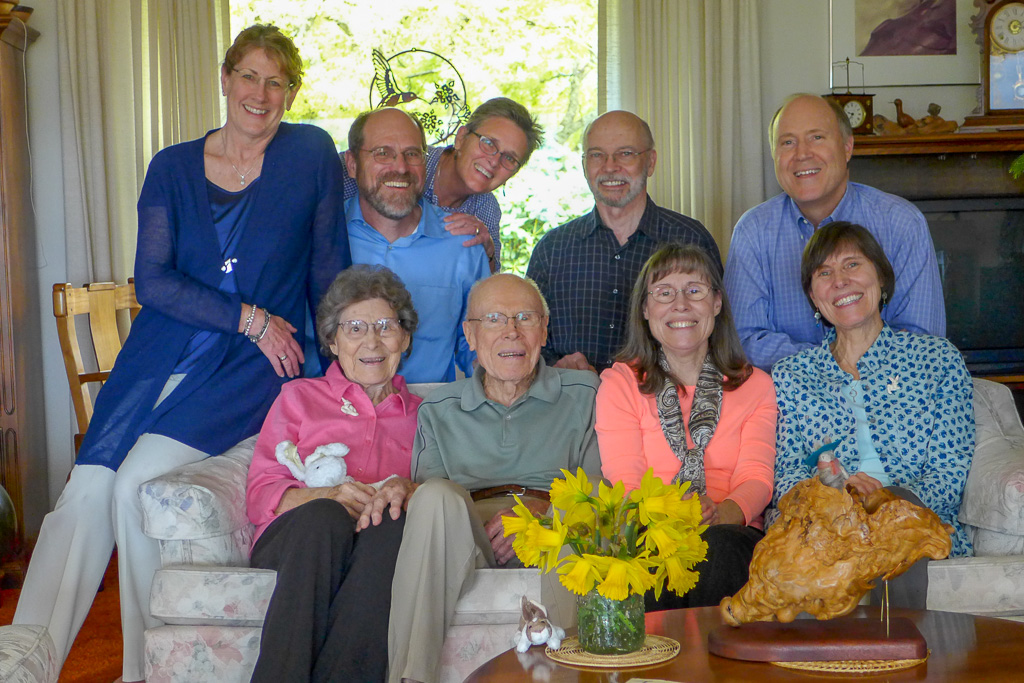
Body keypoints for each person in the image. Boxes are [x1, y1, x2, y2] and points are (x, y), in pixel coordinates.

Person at [13, 25, 349, 682]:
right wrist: (249, 318)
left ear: (290, 93)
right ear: (225, 79)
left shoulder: (310, 153)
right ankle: (26, 658)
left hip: (251, 368)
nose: (261, 93)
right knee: (85, 490)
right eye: (249, 76)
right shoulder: (171, 165)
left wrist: (332, 370)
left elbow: (329, 268)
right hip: (159, 355)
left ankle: (146, 668)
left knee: (138, 483)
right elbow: (154, 280)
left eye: (277, 82)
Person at [386, 273, 601, 683]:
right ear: (470, 334)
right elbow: (430, 504)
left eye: (524, 317)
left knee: (581, 511)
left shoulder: (584, 394)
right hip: (472, 529)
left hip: (552, 520)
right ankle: (410, 678)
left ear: (543, 331)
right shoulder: (439, 408)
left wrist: (542, 512)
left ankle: (575, 674)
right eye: (495, 319)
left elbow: (599, 488)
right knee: (432, 498)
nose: (511, 332)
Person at [771, 221, 974, 608]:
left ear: (881, 277)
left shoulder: (936, 360)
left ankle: (894, 658)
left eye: (852, 265)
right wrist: (840, 499)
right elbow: (785, 479)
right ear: (814, 298)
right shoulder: (791, 375)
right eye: (824, 274)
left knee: (897, 523)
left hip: (912, 516)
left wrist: (882, 501)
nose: (840, 282)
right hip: (827, 524)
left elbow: (950, 475)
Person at [246, 265, 421, 682]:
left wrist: (406, 489)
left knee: (393, 524)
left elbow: (437, 490)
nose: (372, 341)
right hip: (300, 539)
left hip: (376, 545)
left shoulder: (425, 416)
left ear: (406, 338)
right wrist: (328, 496)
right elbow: (261, 495)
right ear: (332, 341)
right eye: (355, 328)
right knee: (324, 518)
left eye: (385, 326)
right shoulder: (299, 398)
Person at [596, 244, 776, 609]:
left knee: (720, 548)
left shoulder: (756, 384)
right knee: (652, 556)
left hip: (731, 531)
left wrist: (721, 512)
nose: (681, 304)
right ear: (645, 310)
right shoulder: (620, 383)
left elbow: (757, 476)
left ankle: (711, 666)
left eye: (695, 290)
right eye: (664, 293)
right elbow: (625, 480)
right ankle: (660, 664)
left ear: (716, 303)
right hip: (651, 527)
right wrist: (670, 517)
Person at [724, 93, 945, 371]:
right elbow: (742, 341)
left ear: (847, 147)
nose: (802, 154)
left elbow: (921, 340)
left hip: (890, 400)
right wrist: (832, 363)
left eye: (817, 137)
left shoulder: (901, 223)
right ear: (774, 156)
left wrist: (841, 366)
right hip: (788, 406)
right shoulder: (752, 232)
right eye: (788, 142)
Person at [527, 110, 720, 373]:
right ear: (585, 165)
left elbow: (719, 337)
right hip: (572, 404)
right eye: (597, 155)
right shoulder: (552, 250)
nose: (609, 166)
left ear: (650, 162)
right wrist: (554, 367)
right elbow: (527, 339)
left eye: (625, 153)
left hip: (666, 407)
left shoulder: (691, 240)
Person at [345, 107, 490, 383]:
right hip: (337, 415)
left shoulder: (463, 243)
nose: (400, 167)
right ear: (352, 164)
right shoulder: (324, 235)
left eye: (412, 154)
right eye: (382, 153)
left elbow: (476, 348)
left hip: (429, 416)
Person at [343, 97, 544, 272]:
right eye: (489, 143)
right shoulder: (403, 166)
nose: (493, 161)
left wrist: (487, 252)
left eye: (509, 158)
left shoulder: (485, 208)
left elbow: (485, 286)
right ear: (461, 138)